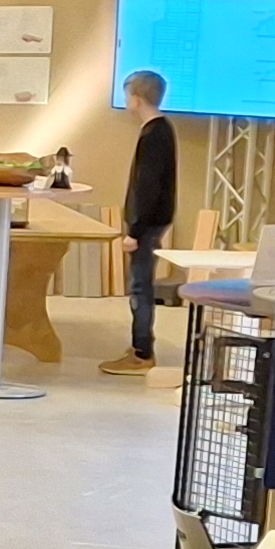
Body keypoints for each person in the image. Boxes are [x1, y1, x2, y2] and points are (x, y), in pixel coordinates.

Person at [106, 68, 178, 375]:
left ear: (137, 98)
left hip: (146, 225)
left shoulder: (153, 135)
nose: (126, 101)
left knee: (139, 288)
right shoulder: (161, 129)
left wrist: (134, 230)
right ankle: (140, 346)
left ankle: (142, 353)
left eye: (127, 95)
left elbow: (146, 187)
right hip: (152, 222)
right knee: (141, 285)